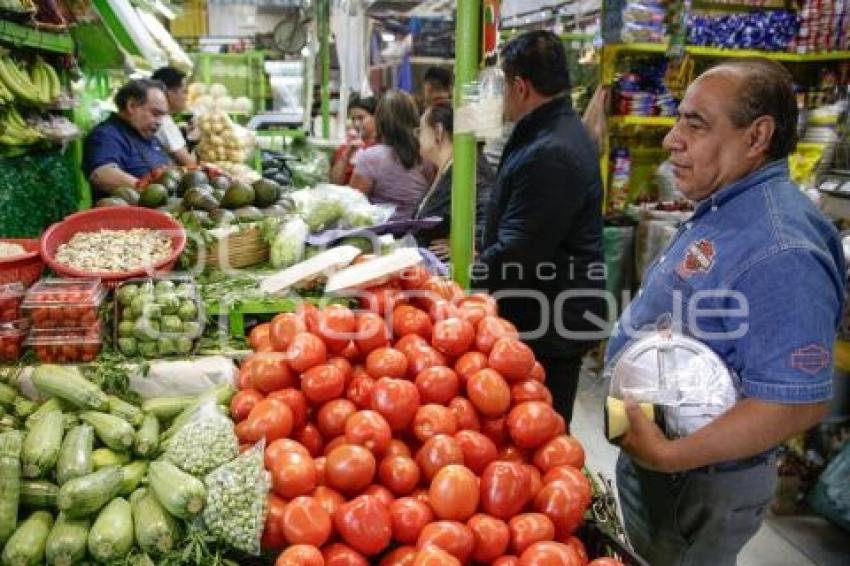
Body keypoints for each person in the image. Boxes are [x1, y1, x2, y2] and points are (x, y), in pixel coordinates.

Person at [607, 58, 844, 566]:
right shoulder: (728, 205)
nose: (673, 138)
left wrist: (668, 456)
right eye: (678, 119)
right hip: (664, 468)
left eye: (695, 123)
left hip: (694, 483)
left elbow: (797, 402)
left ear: (757, 136)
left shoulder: (783, 248)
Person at [474, 30, 607, 423]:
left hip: (549, 321)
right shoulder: (554, 131)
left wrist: (468, 278)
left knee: (541, 428)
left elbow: (521, 249)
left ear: (520, 87)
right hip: (548, 311)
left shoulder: (551, 151)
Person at [414, 101, 495, 260]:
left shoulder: (467, 168)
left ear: (438, 131)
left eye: (421, 130)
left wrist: (470, 247)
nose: (418, 137)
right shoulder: (447, 168)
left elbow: (487, 212)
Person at [349, 90, 432, 220]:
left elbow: (352, 207)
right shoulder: (426, 156)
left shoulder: (370, 158)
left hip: (380, 236)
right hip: (417, 233)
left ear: (379, 121)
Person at [83, 79, 171, 197]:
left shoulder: (146, 135)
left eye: (162, 116)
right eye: (155, 114)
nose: (160, 122)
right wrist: (147, 191)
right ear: (131, 106)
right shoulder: (107, 135)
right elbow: (102, 174)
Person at [150, 66, 196, 168]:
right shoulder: (163, 122)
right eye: (184, 91)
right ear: (169, 93)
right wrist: (196, 144)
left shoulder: (163, 120)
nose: (187, 97)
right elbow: (190, 163)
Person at [330, 94, 377, 185]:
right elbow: (334, 183)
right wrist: (347, 154)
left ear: (375, 117)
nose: (356, 123)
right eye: (353, 119)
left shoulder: (381, 147)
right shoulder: (347, 146)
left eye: (361, 118)